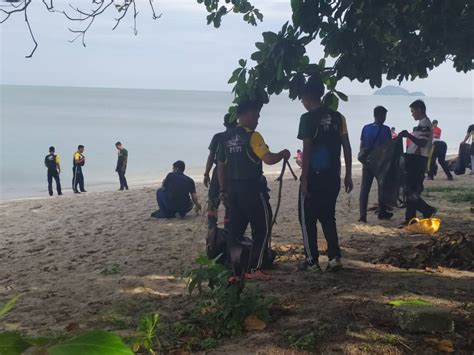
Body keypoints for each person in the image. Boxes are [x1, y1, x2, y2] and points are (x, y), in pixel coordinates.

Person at [217, 100, 290, 276]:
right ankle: (255, 268)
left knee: (234, 232)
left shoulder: (224, 138)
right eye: (256, 116)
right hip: (252, 190)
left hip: (232, 191)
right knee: (262, 227)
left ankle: (235, 270)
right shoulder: (253, 136)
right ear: (247, 115)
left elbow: (220, 165)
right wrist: (283, 154)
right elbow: (269, 159)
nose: (257, 120)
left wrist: (222, 190)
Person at [297, 76, 353, 272]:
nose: (302, 102)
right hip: (332, 176)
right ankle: (334, 257)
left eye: (302, 98)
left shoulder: (307, 119)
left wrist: (304, 178)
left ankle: (312, 261)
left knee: (308, 219)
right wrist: (347, 174)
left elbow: (307, 149)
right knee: (328, 217)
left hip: (313, 177)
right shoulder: (338, 118)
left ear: (307, 96)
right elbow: (346, 146)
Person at [399, 100, 436, 225]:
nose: (412, 114)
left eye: (413, 111)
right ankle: (410, 218)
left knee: (411, 191)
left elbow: (422, 143)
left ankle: (426, 209)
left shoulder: (425, 123)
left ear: (420, 110)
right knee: (410, 189)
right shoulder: (421, 123)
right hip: (415, 159)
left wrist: (408, 135)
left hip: (418, 160)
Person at [358, 106, 393, 222]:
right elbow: (387, 148)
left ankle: (362, 215)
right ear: (382, 116)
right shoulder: (386, 130)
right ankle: (382, 212)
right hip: (379, 163)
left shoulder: (366, 128)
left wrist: (363, 158)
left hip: (367, 161)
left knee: (364, 189)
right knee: (382, 188)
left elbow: (362, 145)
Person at [203, 114, 236, 230]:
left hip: (218, 171)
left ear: (224, 124)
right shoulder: (238, 136)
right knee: (229, 202)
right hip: (233, 172)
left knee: (213, 199)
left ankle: (212, 227)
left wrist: (206, 174)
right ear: (236, 122)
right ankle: (228, 227)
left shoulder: (218, 137)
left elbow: (211, 156)